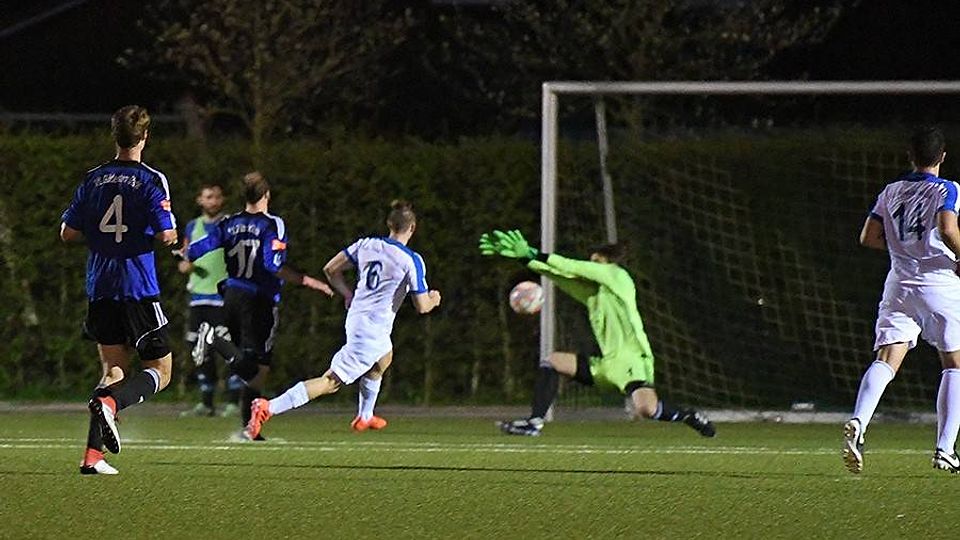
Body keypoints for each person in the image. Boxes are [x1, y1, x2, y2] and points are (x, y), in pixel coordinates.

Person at [479, 229, 716, 438]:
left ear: (607, 262)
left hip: (632, 361)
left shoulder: (618, 277)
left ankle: (688, 416)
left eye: (595, 263)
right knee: (552, 361)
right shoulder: (595, 295)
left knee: (647, 409)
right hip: (605, 366)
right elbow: (558, 275)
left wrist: (532, 252)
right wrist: (524, 258)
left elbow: (571, 266)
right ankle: (534, 423)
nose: (590, 268)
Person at [245, 200, 441, 439]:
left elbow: (330, 269)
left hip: (358, 319)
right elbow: (422, 306)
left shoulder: (366, 244)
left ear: (389, 224)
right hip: (371, 329)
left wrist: (347, 293)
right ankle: (268, 407)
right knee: (331, 382)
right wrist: (434, 299)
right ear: (412, 228)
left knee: (383, 359)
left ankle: (365, 415)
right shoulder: (411, 260)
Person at [61, 105, 178, 474]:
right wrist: (170, 235)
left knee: (114, 369)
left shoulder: (92, 178)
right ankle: (111, 405)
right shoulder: (151, 179)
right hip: (137, 286)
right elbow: (165, 234)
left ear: (115, 136)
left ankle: (92, 457)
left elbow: (68, 233)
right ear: (145, 137)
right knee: (161, 370)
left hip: (100, 285)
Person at [843, 126, 960, 474]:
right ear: (942, 157)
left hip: (898, 284)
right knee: (954, 364)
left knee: (887, 359)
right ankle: (945, 449)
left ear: (910, 156)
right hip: (938, 283)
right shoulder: (948, 188)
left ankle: (859, 421)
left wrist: (902, 250)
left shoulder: (891, 190)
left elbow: (868, 237)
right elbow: (947, 228)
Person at [186, 171, 334, 438]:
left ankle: (250, 428)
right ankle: (215, 341)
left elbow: (197, 250)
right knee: (258, 369)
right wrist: (309, 281)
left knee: (249, 366)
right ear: (267, 195)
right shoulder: (272, 223)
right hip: (258, 300)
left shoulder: (229, 222)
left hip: (231, 295)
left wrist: (180, 249)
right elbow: (272, 264)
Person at [176, 184, 243, 418]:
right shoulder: (192, 227)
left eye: (216, 196)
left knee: (229, 346)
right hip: (199, 298)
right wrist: (185, 265)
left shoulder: (232, 224)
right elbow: (185, 257)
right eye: (208, 197)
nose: (213, 201)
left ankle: (233, 401)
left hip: (224, 296)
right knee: (200, 348)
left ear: (222, 200)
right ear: (200, 200)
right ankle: (206, 403)